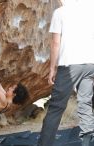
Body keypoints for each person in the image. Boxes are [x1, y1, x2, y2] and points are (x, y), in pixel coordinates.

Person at [37, 0, 94, 146]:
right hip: (90, 63)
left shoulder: (60, 13)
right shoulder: (89, 7)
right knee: (85, 104)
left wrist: (52, 68)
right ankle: (87, 143)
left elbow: (56, 43)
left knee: (56, 108)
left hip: (69, 65)